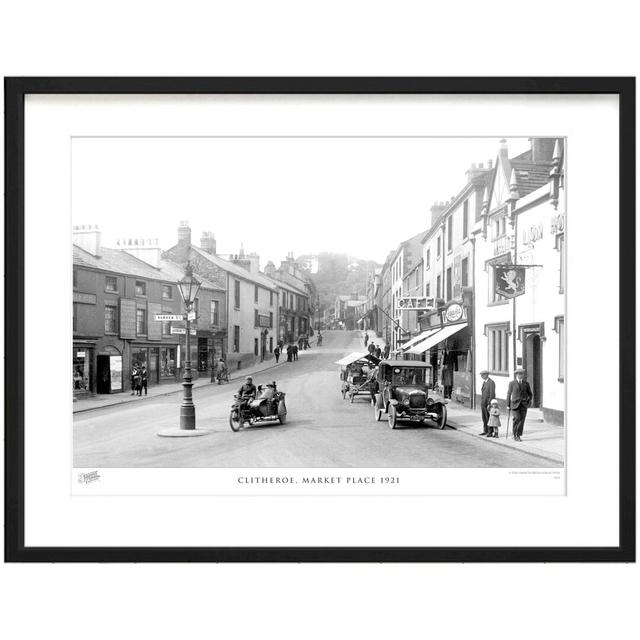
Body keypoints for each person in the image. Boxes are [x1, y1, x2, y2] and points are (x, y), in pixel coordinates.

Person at [506, 367, 533, 441]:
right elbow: (508, 394)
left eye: (521, 374)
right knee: (517, 418)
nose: (520, 375)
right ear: (516, 375)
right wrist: (508, 404)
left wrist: (528, 400)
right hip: (514, 405)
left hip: (523, 405)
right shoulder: (512, 383)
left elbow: (530, 394)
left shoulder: (526, 384)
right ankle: (514, 434)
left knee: (522, 420)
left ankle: (518, 435)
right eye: (519, 374)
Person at [478, 369, 496, 436]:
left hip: (487, 404)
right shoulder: (484, 382)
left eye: (483, 375)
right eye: (481, 375)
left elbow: (492, 394)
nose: (482, 376)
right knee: (484, 417)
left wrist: (489, 404)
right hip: (483, 403)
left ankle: (490, 432)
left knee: (489, 418)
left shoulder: (491, 382)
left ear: (487, 375)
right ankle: (485, 430)